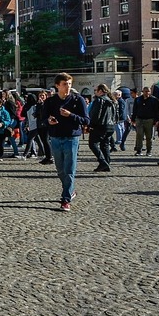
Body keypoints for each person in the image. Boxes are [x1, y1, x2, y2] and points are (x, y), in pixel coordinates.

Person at [41, 73, 89, 212]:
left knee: (69, 169)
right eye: (64, 84)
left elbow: (86, 120)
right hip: (55, 137)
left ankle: (65, 199)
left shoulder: (77, 100)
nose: (67, 87)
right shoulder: (50, 102)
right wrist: (49, 122)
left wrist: (70, 115)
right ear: (57, 86)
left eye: (69, 84)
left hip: (71, 137)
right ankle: (71, 190)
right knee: (60, 170)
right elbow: (43, 120)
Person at [87, 84, 118, 172]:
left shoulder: (99, 100)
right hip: (110, 126)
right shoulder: (112, 100)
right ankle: (106, 164)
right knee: (105, 145)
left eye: (96, 90)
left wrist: (91, 125)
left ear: (100, 91)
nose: (95, 92)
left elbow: (96, 114)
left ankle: (103, 162)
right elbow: (116, 114)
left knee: (92, 144)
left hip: (100, 126)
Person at [132, 86, 159, 156]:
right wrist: (133, 119)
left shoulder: (154, 100)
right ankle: (139, 150)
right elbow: (134, 110)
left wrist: (157, 120)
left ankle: (149, 150)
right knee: (139, 135)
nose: (147, 93)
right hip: (139, 119)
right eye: (145, 91)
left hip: (149, 120)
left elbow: (157, 111)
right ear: (143, 92)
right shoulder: (138, 100)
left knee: (149, 136)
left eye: (148, 91)